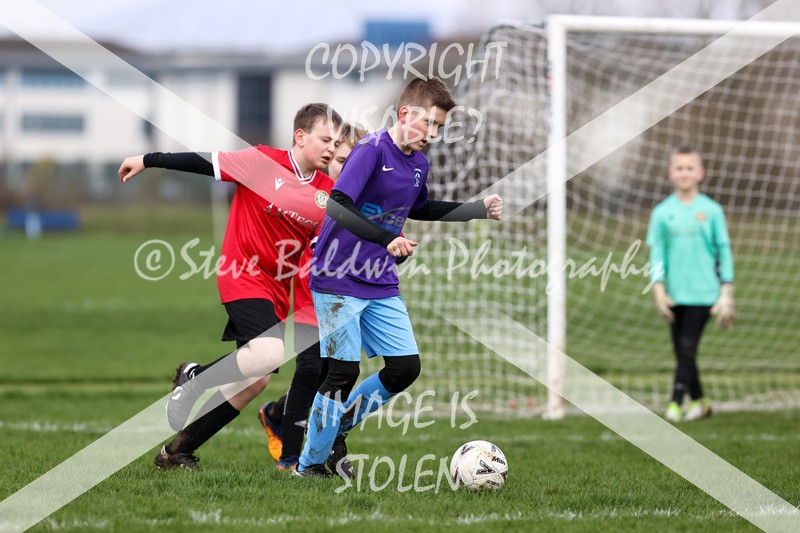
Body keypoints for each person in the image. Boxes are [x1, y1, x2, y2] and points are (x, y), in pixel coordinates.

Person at [294, 77, 504, 478]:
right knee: (342, 373)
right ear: (406, 114)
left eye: (440, 127)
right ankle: (309, 464)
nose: (433, 133)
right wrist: (386, 238)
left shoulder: (419, 164)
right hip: (336, 278)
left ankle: (338, 429)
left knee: (404, 368)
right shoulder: (372, 150)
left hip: (378, 281)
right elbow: (337, 206)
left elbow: (420, 208)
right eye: (429, 123)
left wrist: (477, 209)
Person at [117, 103, 342, 469]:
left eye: (336, 142)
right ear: (300, 137)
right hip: (241, 272)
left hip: (275, 288)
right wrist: (149, 158)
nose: (332, 149)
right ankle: (194, 378)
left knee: (255, 381)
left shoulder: (327, 193)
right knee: (269, 356)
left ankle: (177, 453)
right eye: (325, 139)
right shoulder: (260, 162)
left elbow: (323, 248)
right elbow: (204, 162)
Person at [257, 122, 370, 473]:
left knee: (335, 376)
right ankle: (291, 460)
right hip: (310, 292)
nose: (344, 169)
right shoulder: (319, 197)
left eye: (353, 162)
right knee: (309, 371)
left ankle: (279, 414)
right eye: (338, 160)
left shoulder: (362, 202)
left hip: (346, 298)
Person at [646, 145, 735, 423]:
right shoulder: (662, 212)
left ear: (700, 173)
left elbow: (724, 251)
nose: (685, 173)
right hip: (674, 293)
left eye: (690, 168)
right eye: (679, 168)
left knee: (686, 347)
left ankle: (674, 406)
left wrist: (726, 293)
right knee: (684, 353)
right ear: (671, 173)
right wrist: (658, 289)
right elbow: (657, 253)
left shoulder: (711, 211)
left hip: (704, 293)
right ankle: (701, 402)